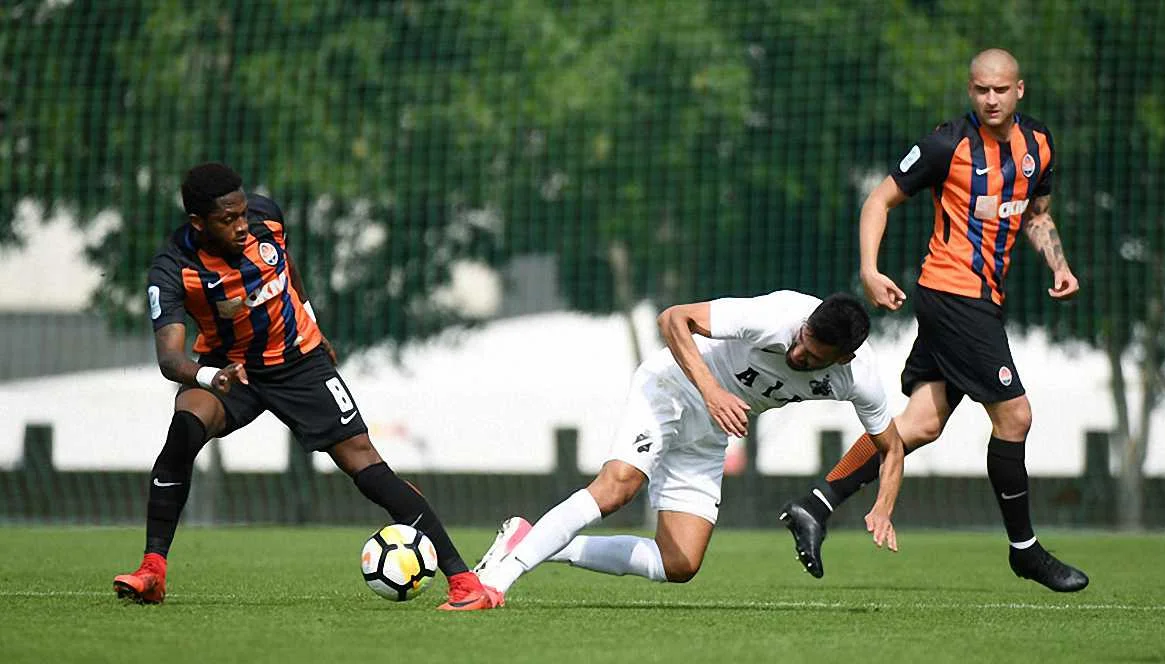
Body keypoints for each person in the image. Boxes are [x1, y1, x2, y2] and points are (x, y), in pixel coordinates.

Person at [112, 163, 501, 610]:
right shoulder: (173, 268)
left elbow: (286, 267)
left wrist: (312, 320)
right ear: (198, 223)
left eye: (242, 214)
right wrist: (208, 376)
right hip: (231, 370)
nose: (241, 226)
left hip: (299, 362)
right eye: (227, 219)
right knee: (184, 429)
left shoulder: (267, 220)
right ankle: (152, 570)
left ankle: (465, 582)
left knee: (366, 465)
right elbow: (169, 358)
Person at [780, 49, 1088, 592]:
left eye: (1000, 90)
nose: (990, 99)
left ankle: (816, 505)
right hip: (953, 295)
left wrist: (1058, 264)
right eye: (980, 90)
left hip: (982, 299)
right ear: (970, 90)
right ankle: (1025, 550)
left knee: (919, 424)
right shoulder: (947, 144)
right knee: (1015, 417)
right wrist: (870, 270)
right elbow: (878, 201)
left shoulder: (1039, 144)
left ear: (1020, 90)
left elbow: (1036, 215)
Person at [469, 290, 906, 603]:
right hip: (672, 387)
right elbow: (673, 319)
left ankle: (533, 540)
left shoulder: (858, 378)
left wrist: (883, 506)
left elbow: (891, 446)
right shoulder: (775, 316)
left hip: (711, 429)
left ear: (843, 358)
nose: (797, 355)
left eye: (812, 357)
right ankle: (495, 582)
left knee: (678, 564)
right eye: (801, 341)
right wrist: (712, 391)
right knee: (618, 487)